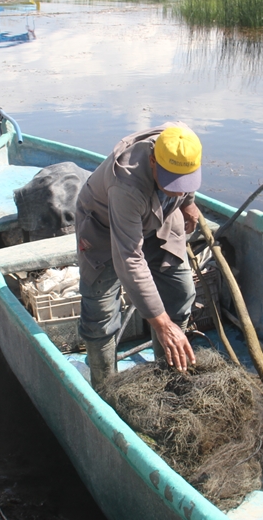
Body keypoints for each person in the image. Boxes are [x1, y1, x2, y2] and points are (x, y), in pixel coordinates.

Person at [75, 123, 203, 388]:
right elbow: (130, 259)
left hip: (160, 217)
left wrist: (188, 203)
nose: (179, 190)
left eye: (185, 184)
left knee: (180, 293)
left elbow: (183, 185)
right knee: (101, 316)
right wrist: (162, 324)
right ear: (153, 161)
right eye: (173, 183)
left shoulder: (181, 143)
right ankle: (104, 386)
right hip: (104, 228)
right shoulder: (126, 185)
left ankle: (167, 375)